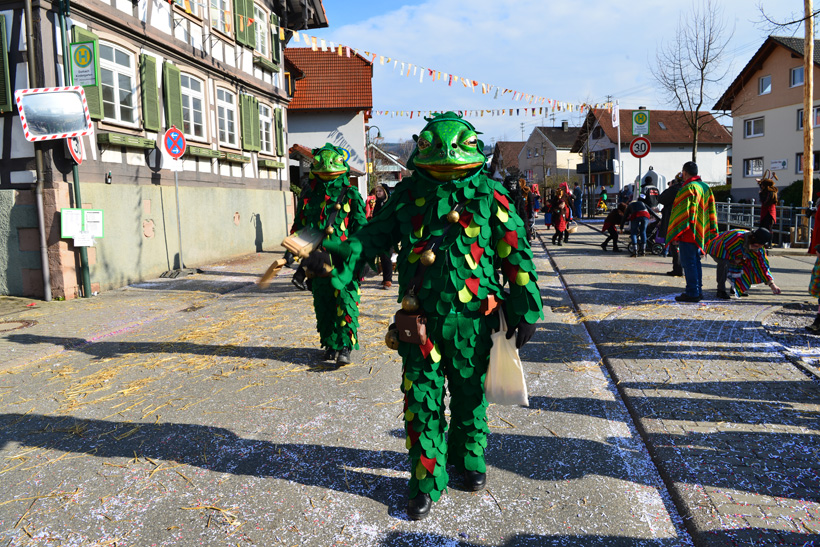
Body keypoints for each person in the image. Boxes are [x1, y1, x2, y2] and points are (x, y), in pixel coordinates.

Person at [303, 112, 543, 520]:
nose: (447, 156)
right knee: (422, 400)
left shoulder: (488, 194)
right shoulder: (408, 194)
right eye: (436, 146)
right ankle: (426, 478)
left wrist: (526, 306)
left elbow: (515, 252)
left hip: (474, 323)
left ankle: (468, 458)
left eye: (457, 147)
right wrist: (337, 252)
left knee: (469, 398)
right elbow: (371, 236)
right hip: (420, 323)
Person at [290, 143, 367, 366]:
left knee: (345, 301)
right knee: (323, 303)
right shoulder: (308, 195)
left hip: (343, 260)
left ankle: (345, 346)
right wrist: (293, 253)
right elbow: (299, 227)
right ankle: (331, 343)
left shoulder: (350, 194)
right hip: (316, 261)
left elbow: (360, 227)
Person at [665, 161, 718, 303]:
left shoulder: (688, 188)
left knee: (689, 263)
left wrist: (676, 233)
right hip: (701, 230)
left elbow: (682, 213)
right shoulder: (705, 187)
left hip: (688, 231)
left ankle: (692, 292)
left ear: (685, 172)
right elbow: (710, 209)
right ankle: (697, 290)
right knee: (696, 262)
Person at [705, 228, 781, 299]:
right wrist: (735, 260)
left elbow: (762, 266)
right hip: (719, 248)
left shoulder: (759, 249)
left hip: (736, 254)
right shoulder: (736, 237)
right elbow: (728, 252)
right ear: (753, 239)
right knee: (725, 263)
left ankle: (736, 288)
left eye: (760, 246)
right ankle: (720, 290)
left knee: (746, 263)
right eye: (755, 246)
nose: (757, 248)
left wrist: (772, 285)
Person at [368, 184, 395, 289]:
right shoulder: (377, 204)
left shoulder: (390, 203)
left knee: (386, 256)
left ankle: (388, 280)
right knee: (382, 257)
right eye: (377, 191)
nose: (378, 193)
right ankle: (385, 279)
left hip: (389, 234)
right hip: (379, 233)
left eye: (380, 191)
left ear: (385, 192)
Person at [658, 173, 684, 277]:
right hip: (687, 222)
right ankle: (682, 269)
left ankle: (677, 269)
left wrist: (671, 187)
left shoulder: (676, 189)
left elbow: (661, 198)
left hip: (674, 222)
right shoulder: (695, 187)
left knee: (675, 246)